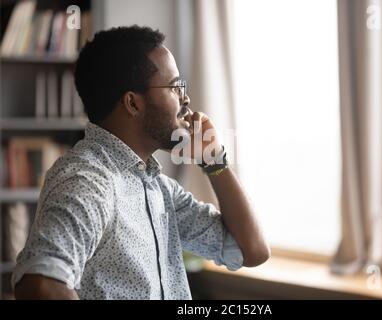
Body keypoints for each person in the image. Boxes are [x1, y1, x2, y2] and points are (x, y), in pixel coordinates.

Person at [12, 25, 270, 299]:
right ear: (133, 104)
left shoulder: (157, 187)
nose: (186, 99)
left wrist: (214, 160)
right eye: (174, 87)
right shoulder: (88, 180)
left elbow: (250, 250)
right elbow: (39, 284)